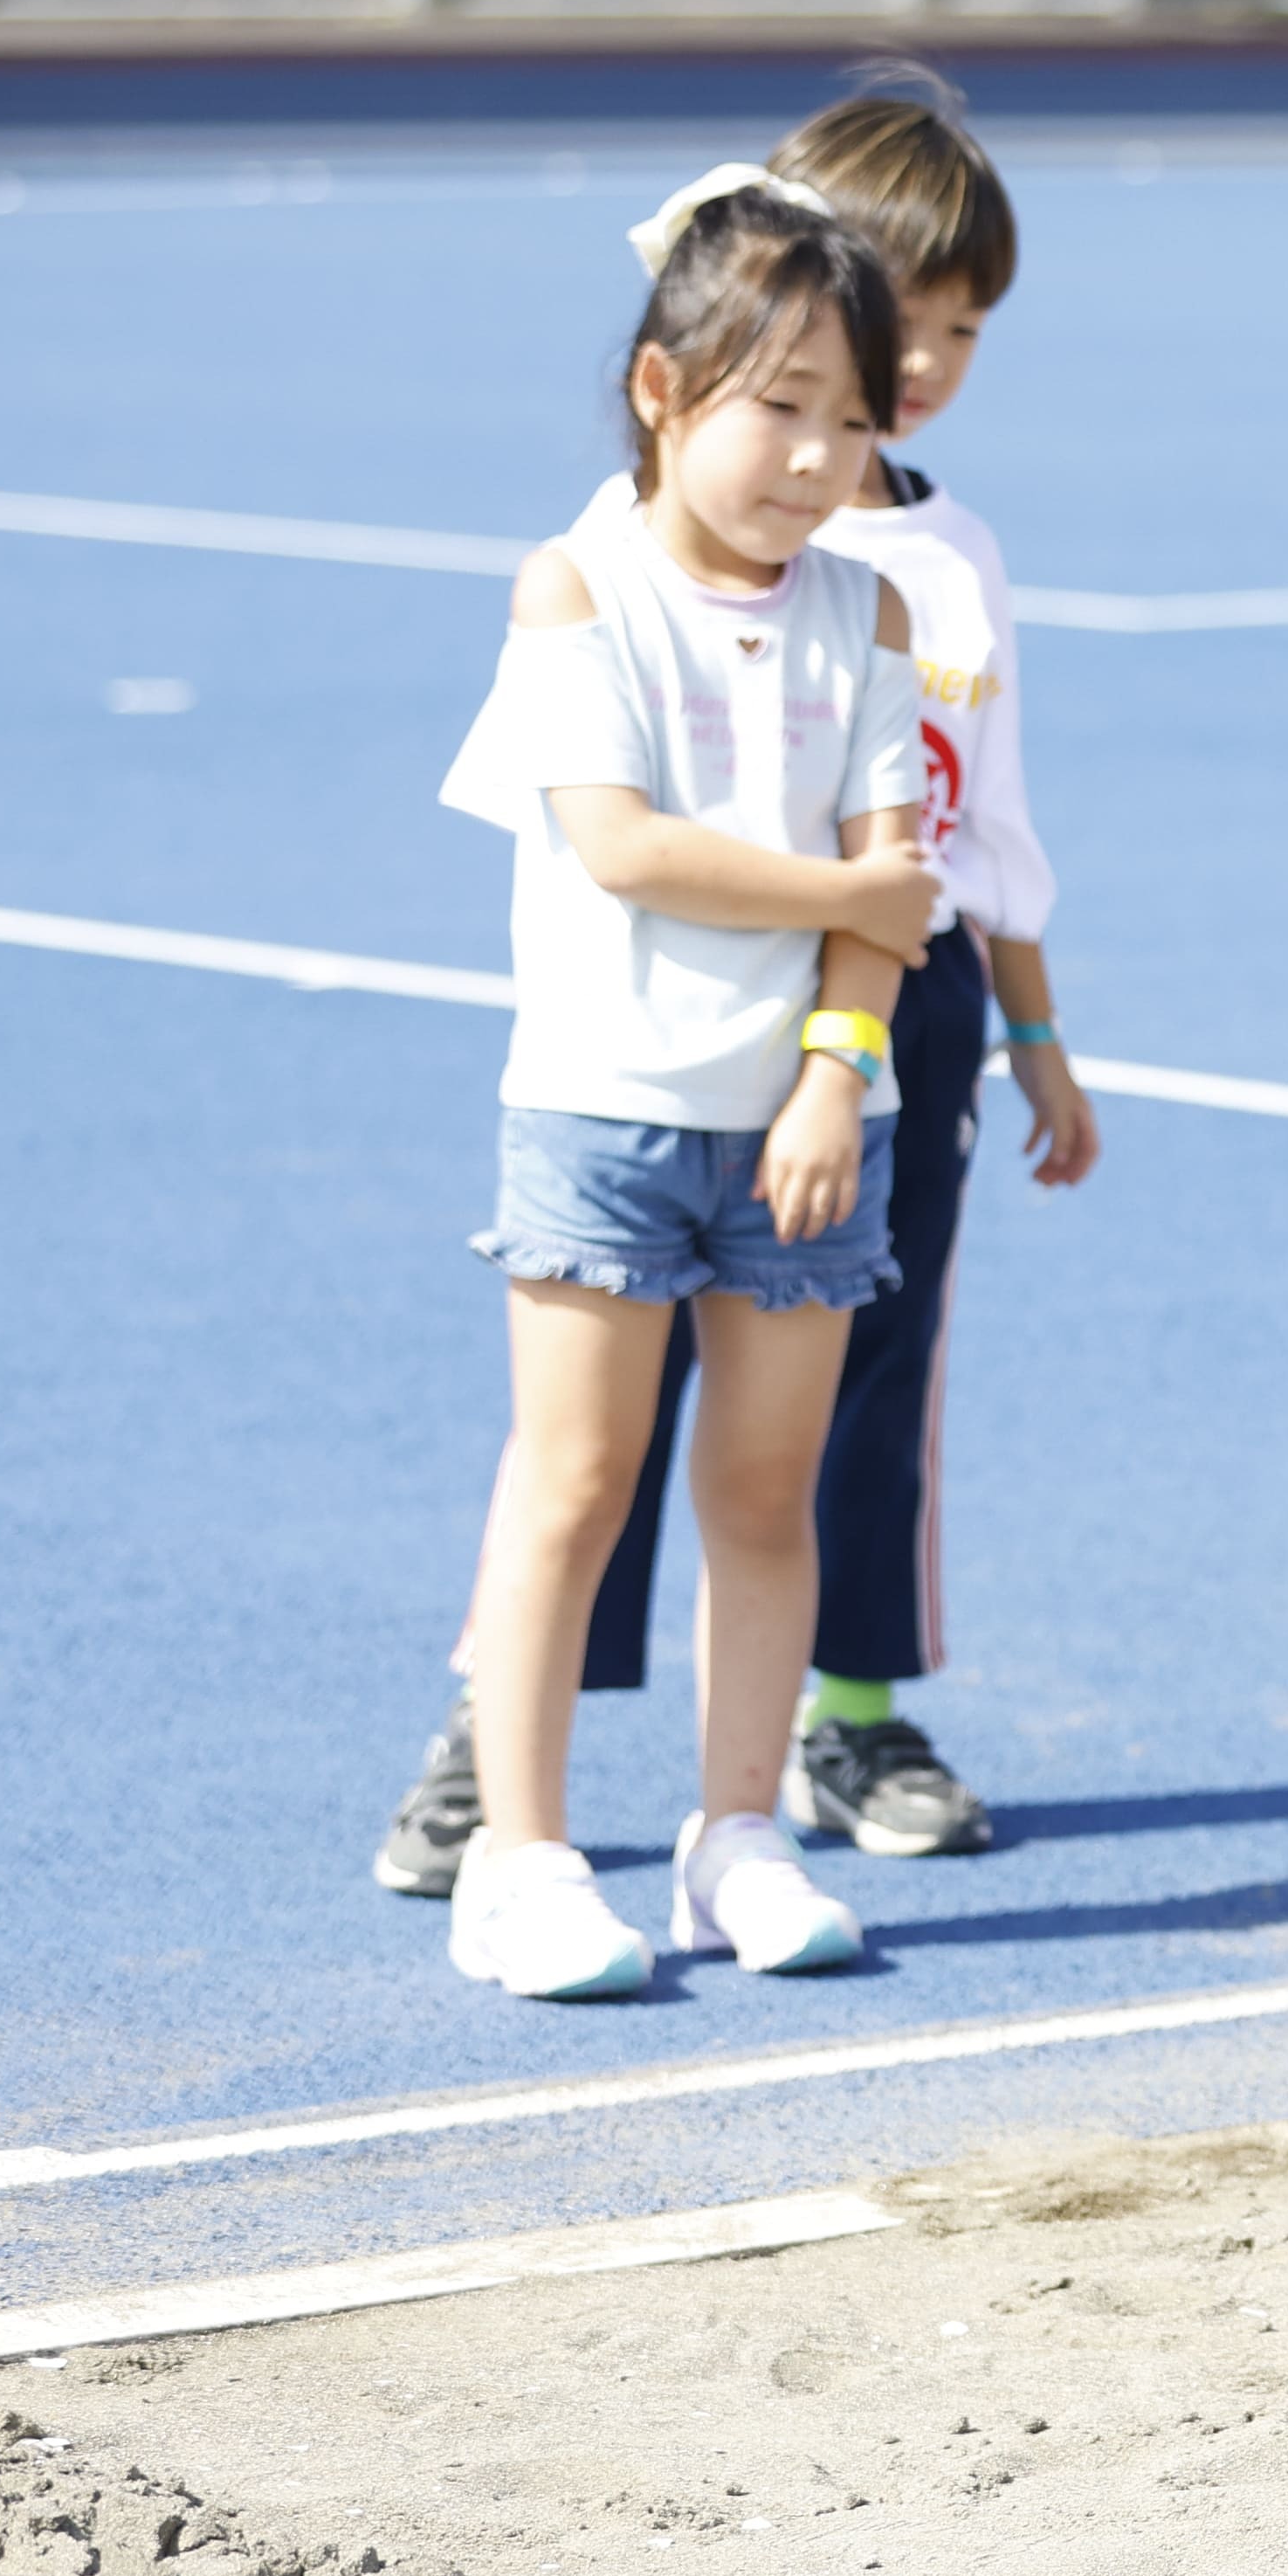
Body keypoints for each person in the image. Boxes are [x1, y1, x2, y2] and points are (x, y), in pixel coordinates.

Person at [373, 77, 1092, 1902]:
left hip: (874, 1019)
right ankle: (502, 1738)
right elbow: (618, 830)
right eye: (880, 322)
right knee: (595, 1438)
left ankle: (826, 1728)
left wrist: (1015, 1019)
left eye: (948, 332)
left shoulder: (931, 566)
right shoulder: (622, 556)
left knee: (855, 1386)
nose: (911, 369)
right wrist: (854, 897)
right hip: (657, 1049)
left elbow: (966, 828)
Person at [424, 173, 937, 1998]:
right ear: (664, 390)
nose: (813, 456)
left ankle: (738, 1833)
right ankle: (525, 1850)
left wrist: (832, 1065)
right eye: (775, 404)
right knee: (572, 1481)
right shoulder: (578, 584)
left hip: (804, 1123)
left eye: (851, 419)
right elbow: (622, 845)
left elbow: (904, 890)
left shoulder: (868, 616)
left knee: (765, 1489)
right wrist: (849, 900)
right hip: (604, 1107)